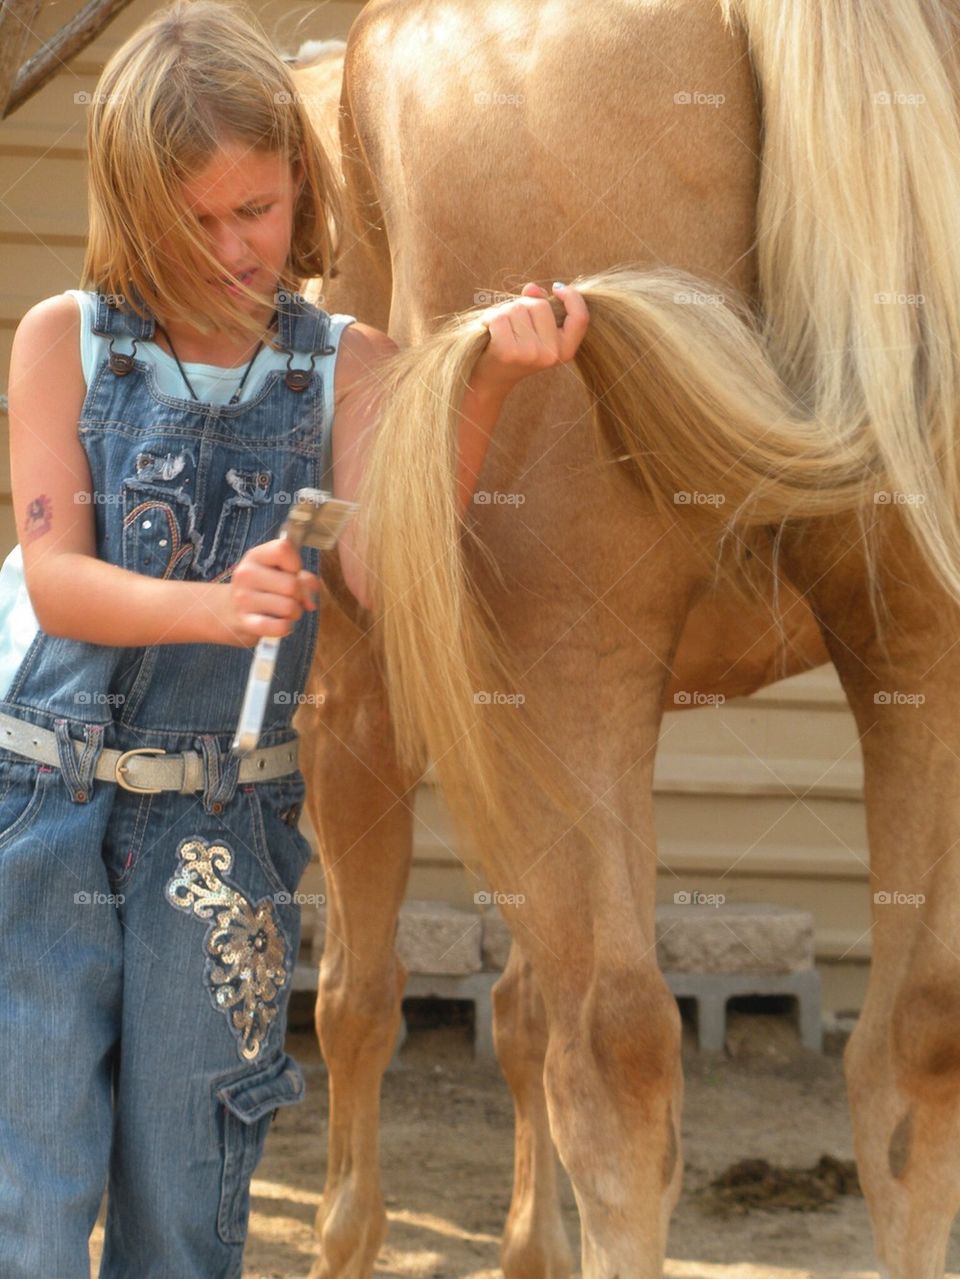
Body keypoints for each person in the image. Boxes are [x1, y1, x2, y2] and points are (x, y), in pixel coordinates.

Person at [0, 0, 589, 1274]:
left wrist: (481, 380)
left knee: (187, 1203)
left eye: (254, 211)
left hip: (223, 839)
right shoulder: (62, 343)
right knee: (27, 1204)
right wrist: (214, 605)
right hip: (37, 813)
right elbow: (55, 580)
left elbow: (391, 558)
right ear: (127, 201)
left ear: (298, 184)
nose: (229, 250)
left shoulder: (347, 368)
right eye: (191, 220)